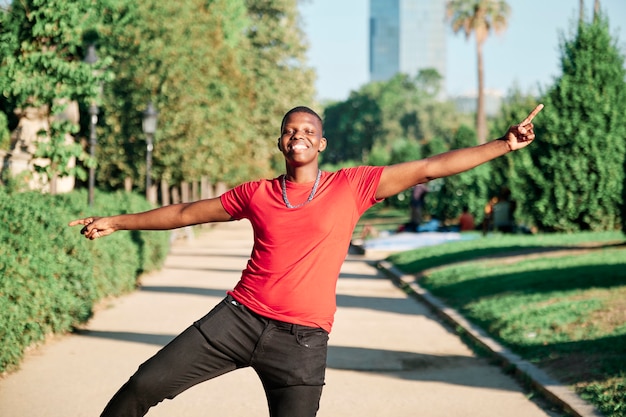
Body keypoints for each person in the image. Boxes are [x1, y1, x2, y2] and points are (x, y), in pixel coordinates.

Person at [69, 103, 543, 417]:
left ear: (320, 145)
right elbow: (186, 212)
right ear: (280, 142)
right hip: (236, 320)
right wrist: (118, 221)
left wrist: (504, 144)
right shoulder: (256, 193)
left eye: (308, 131)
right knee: (142, 386)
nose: (298, 135)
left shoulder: (351, 187)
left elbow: (429, 167)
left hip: (301, 342)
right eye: (289, 130)